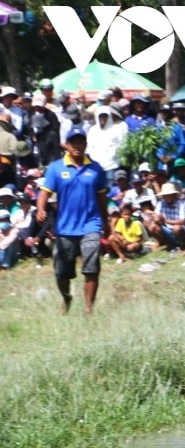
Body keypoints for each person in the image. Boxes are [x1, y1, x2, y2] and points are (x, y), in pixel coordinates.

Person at [38, 126, 110, 314]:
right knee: (62, 273)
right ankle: (67, 298)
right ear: (66, 145)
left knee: (92, 267)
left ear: (86, 144)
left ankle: (88, 310)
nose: (77, 145)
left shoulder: (96, 169)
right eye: (73, 142)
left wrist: (106, 223)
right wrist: (40, 209)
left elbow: (102, 198)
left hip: (91, 225)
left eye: (81, 142)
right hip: (65, 228)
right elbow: (45, 193)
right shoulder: (56, 168)